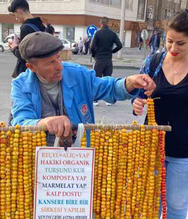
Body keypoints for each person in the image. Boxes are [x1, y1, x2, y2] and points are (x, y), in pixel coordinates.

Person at [132, 9, 188, 219]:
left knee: (176, 206)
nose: (173, 48)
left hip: (186, 152)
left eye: (181, 43)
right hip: (151, 148)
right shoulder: (153, 63)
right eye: (169, 41)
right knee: (151, 204)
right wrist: (136, 103)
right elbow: (137, 94)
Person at [11, 32, 156, 145]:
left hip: (81, 158)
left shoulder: (77, 74)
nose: (59, 66)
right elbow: (20, 122)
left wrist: (129, 82)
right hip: (42, 162)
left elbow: (108, 88)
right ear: (31, 67)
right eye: (50, 62)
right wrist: (43, 123)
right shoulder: (21, 85)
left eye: (59, 58)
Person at [8, 0, 46, 78]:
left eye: (15, 15)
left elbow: (24, 55)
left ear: (19, 11)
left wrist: (14, 47)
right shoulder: (40, 26)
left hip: (26, 73)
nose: (16, 18)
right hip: (38, 70)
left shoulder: (26, 28)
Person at [90, 17, 123, 106]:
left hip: (99, 59)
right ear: (108, 23)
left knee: (96, 79)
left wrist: (94, 55)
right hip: (108, 60)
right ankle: (107, 100)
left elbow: (92, 47)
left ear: (100, 24)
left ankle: (95, 100)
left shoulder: (98, 33)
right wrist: (112, 51)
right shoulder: (112, 34)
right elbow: (119, 45)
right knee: (107, 80)